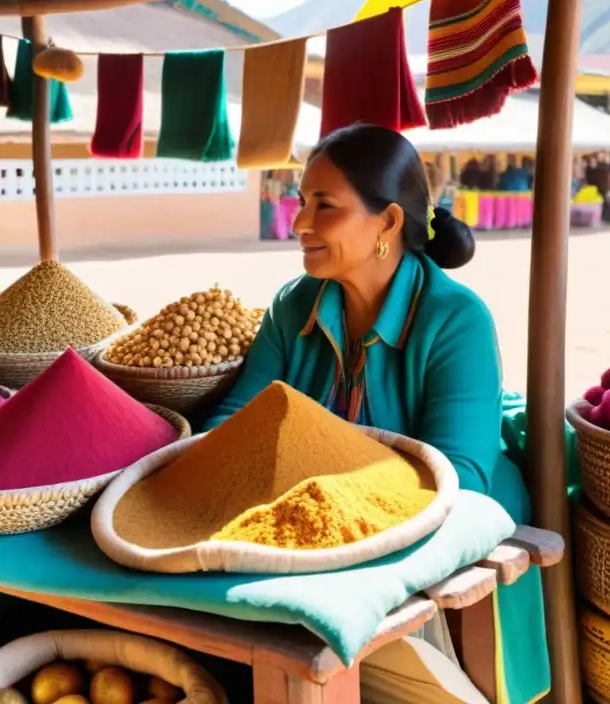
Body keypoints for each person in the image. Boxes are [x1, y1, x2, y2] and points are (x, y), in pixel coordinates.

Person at [204, 125, 549, 704]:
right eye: (300, 200)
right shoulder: (295, 305)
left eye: (325, 206)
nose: (299, 223)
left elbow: (460, 476)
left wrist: (321, 494)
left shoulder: (456, 320)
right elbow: (239, 418)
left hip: (453, 521)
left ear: (387, 223)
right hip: (326, 519)